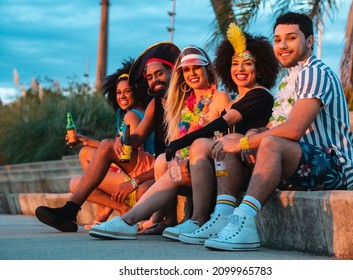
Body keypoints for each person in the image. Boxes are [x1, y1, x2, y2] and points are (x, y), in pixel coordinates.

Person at [202, 12, 353, 251]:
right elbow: (275, 127)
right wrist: (249, 136)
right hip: (300, 160)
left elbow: (293, 130)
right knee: (230, 139)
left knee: (265, 143)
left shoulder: (315, 72)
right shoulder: (291, 77)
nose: (283, 45)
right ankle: (223, 214)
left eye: (291, 38)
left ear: (310, 41)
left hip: (334, 166)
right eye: (277, 39)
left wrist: (246, 143)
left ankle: (245, 221)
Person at [87, 46, 231, 240]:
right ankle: (139, 220)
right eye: (186, 70)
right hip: (188, 168)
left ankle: (190, 219)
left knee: (173, 165)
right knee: (164, 161)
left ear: (208, 69)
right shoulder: (185, 104)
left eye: (196, 67)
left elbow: (226, 139)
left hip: (212, 168)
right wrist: (124, 140)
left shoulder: (219, 97)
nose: (192, 74)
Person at [35, 42, 180, 233]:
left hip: (170, 167)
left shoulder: (183, 100)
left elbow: (171, 157)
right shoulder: (156, 103)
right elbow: (138, 137)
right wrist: (124, 140)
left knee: (144, 190)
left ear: (173, 71)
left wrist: (134, 182)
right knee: (106, 145)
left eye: (159, 74)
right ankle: (70, 210)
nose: (154, 80)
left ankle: (126, 215)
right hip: (158, 166)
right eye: (150, 77)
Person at [163, 23, 280, 241]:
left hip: (252, 164)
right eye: (235, 64)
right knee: (209, 145)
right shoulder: (238, 99)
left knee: (211, 143)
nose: (240, 69)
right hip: (233, 163)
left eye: (248, 64)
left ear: (260, 68)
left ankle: (210, 217)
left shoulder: (259, 95)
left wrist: (178, 144)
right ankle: (207, 217)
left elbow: (219, 124)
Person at [67, 59, 154, 229]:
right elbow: (118, 149)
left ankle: (120, 208)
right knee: (86, 152)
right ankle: (112, 208)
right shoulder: (141, 112)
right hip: (141, 168)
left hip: (140, 174)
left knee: (77, 182)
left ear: (137, 91)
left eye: (127, 91)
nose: (122, 96)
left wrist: (129, 180)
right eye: (118, 92)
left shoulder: (132, 116)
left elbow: (131, 155)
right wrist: (87, 140)